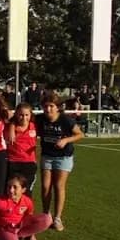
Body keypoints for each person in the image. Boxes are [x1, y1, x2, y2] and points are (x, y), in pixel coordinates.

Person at [36, 91, 83, 232]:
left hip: (63, 157)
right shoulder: (39, 119)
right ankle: (46, 215)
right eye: (45, 106)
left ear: (57, 107)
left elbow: (80, 134)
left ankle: (57, 218)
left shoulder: (65, 120)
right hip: (47, 156)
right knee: (45, 186)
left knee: (58, 186)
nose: (48, 109)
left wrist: (65, 140)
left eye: (51, 106)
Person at [0, 176, 52, 240]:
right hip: (4, 228)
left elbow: (29, 217)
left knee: (47, 219)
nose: (11, 190)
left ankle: (18, 236)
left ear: (23, 190)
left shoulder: (27, 201)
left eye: (15, 187)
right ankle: (4, 239)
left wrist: (32, 234)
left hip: (19, 226)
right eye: (9, 187)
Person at [6, 103, 38, 194]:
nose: (24, 118)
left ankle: (27, 208)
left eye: (26, 115)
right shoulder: (9, 127)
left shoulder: (34, 126)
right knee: (11, 191)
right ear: (16, 114)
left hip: (29, 163)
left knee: (27, 191)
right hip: (12, 162)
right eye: (21, 115)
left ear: (30, 115)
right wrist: (12, 127)